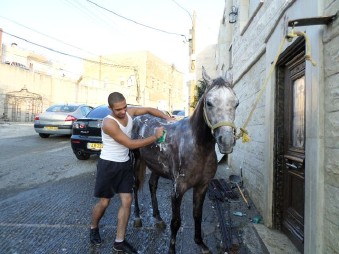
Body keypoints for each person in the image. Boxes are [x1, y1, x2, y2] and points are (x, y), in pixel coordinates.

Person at [90, 92, 173, 253]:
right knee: (104, 203)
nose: (122, 112)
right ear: (110, 108)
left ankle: (119, 242)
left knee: (127, 202)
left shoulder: (129, 112)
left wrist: (167, 118)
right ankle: (93, 227)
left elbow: (150, 109)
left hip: (124, 165)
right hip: (108, 166)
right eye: (118, 109)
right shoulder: (109, 123)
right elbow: (130, 144)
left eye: (124, 107)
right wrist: (155, 137)